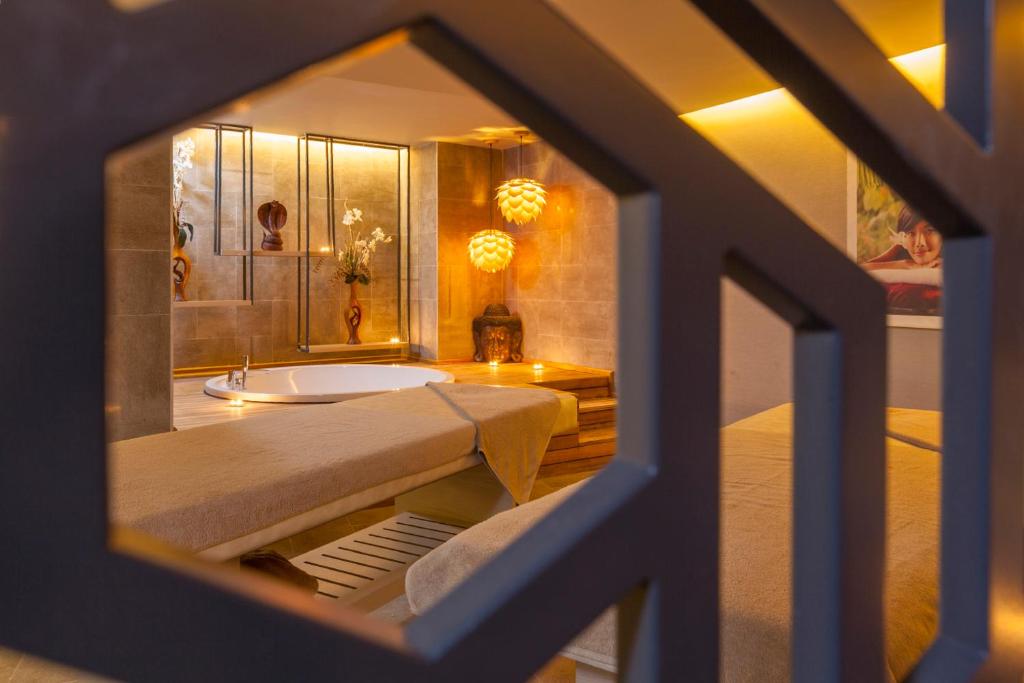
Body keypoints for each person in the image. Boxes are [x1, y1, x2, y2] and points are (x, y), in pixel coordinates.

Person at [862, 205, 942, 270]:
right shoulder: (902, 249)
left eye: (930, 230)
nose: (919, 243)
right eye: (910, 233)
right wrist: (906, 264)